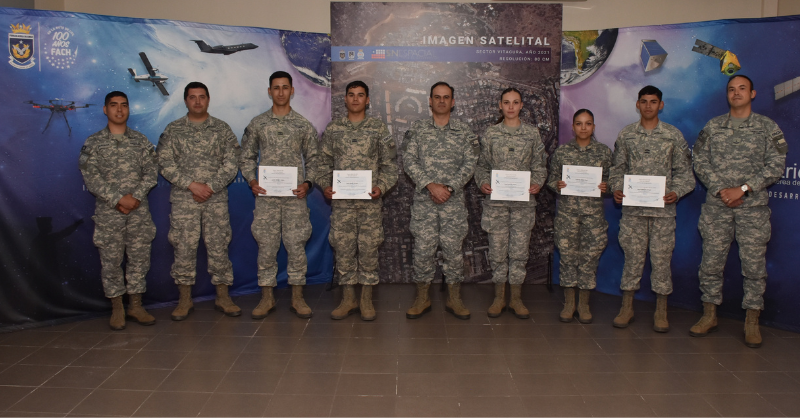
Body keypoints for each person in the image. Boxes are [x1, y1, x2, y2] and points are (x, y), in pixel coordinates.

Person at [690, 75, 787, 348]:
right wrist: (723, 189)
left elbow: (776, 164)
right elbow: (699, 160)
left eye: (742, 89)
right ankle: (709, 315)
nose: (736, 93)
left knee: (754, 267)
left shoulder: (767, 128)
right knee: (710, 264)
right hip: (717, 207)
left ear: (753, 94)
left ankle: (752, 321)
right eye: (731, 89)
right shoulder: (713, 126)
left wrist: (742, 189)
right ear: (727, 94)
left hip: (752, 209)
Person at [609, 85, 694, 332]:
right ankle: (627, 308)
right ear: (637, 104)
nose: (648, 106)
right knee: (632, 260)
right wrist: (616, 188)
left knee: (661, 261)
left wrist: (676, 192)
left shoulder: (673, 136)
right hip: (633, 212)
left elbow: (685, 175)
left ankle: (661, 311)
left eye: (653, 101)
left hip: (663, 213)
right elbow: (616, 170)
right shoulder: (626, 135)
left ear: (661, 105)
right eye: (644, 101)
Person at [157, 82, 242, 320]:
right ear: (185, 100)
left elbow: (231, 162)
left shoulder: (221, 129)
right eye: (192, 97)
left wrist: (210, 187)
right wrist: (191, 185)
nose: (197, 101)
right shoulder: (173, 130)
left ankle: (223, 297)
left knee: (219, 246)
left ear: (208, 99)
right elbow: (165, 163)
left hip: (215, 199)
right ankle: (184, 300)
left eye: (201, 97)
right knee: (183, 247)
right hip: (185, 199)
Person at [240, 71, 320, 319]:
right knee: (266, 246)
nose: (281, 92)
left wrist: (308, 183)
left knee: (296, 246)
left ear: (292, 91)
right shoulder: (258, 124)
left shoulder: (303, 125)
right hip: (266, 198)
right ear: (269, 91)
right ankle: (266, 297)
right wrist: (252, 180)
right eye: (276, 88)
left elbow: (314, 160)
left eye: (285, 87)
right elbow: (246, 157)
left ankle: (297, 298)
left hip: (295, 197)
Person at [319, 81, 398, 321]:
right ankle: (348, 299)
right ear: (345, 99)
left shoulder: (378, 129)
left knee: (368, 249)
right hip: (342, 205)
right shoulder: (333, 130)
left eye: (360, 95)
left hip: (369, 204)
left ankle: (365, 299)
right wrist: (325, 185)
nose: (355, 99)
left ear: (368, 100)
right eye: (351, 95)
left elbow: (390, 166)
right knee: (343, 248)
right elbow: (322, 165)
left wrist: (381, 187)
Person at [79, 91, 157, 330]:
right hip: (109, 213)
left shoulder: (141, 141)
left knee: (138, 259)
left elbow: (151, 172)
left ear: (129, 109)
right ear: (105, 109)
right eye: (114, 105)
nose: (119, 110)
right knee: (111, 261)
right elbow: (91, 177)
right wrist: (117, 200)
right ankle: (117, 308)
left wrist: (134, 198)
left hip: (138, 211)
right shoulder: (93, 143)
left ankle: (135, 305)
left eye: (124, 105)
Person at [403, 81, 480, 320]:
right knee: (423, 251)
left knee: (454, 252)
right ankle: (422, 297)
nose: (442, 101)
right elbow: (408, 160)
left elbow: (470, 164)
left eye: (446, 97)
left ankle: (454, 298)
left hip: (453, 202)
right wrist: (430, 185)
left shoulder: (464, 132)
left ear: (453, 102)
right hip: (425, 202)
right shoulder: (417, 130)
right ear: (429, 100)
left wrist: (449, 188)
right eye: (437, 97)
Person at [475, 87, 547, 319]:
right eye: (506, 102)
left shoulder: (532, 134)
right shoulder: (491, 134)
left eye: (515, 102)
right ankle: (499, 297)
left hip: (522, 205)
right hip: (496, 204)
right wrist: (483, 182)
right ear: (500, 105)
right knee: (497, 252)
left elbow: (539, 165)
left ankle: (515, 298)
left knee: (518, 252)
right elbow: (482, 166)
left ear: (522, 105)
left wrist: (536, 182)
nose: (511, 107)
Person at [547, 109, 612, 323]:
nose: (583, 128)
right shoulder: (562, 152)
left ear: (593, 127)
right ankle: (569, 303)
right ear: (573, 127)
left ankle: (583, 304)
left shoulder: (604, 152)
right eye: (579, 123)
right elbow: (551, 179)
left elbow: (614, 182)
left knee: (589, 258)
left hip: (593, 216)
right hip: (567, 215)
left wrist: (607, 186)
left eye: (588, 123)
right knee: (567, 257)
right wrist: (556, 184)